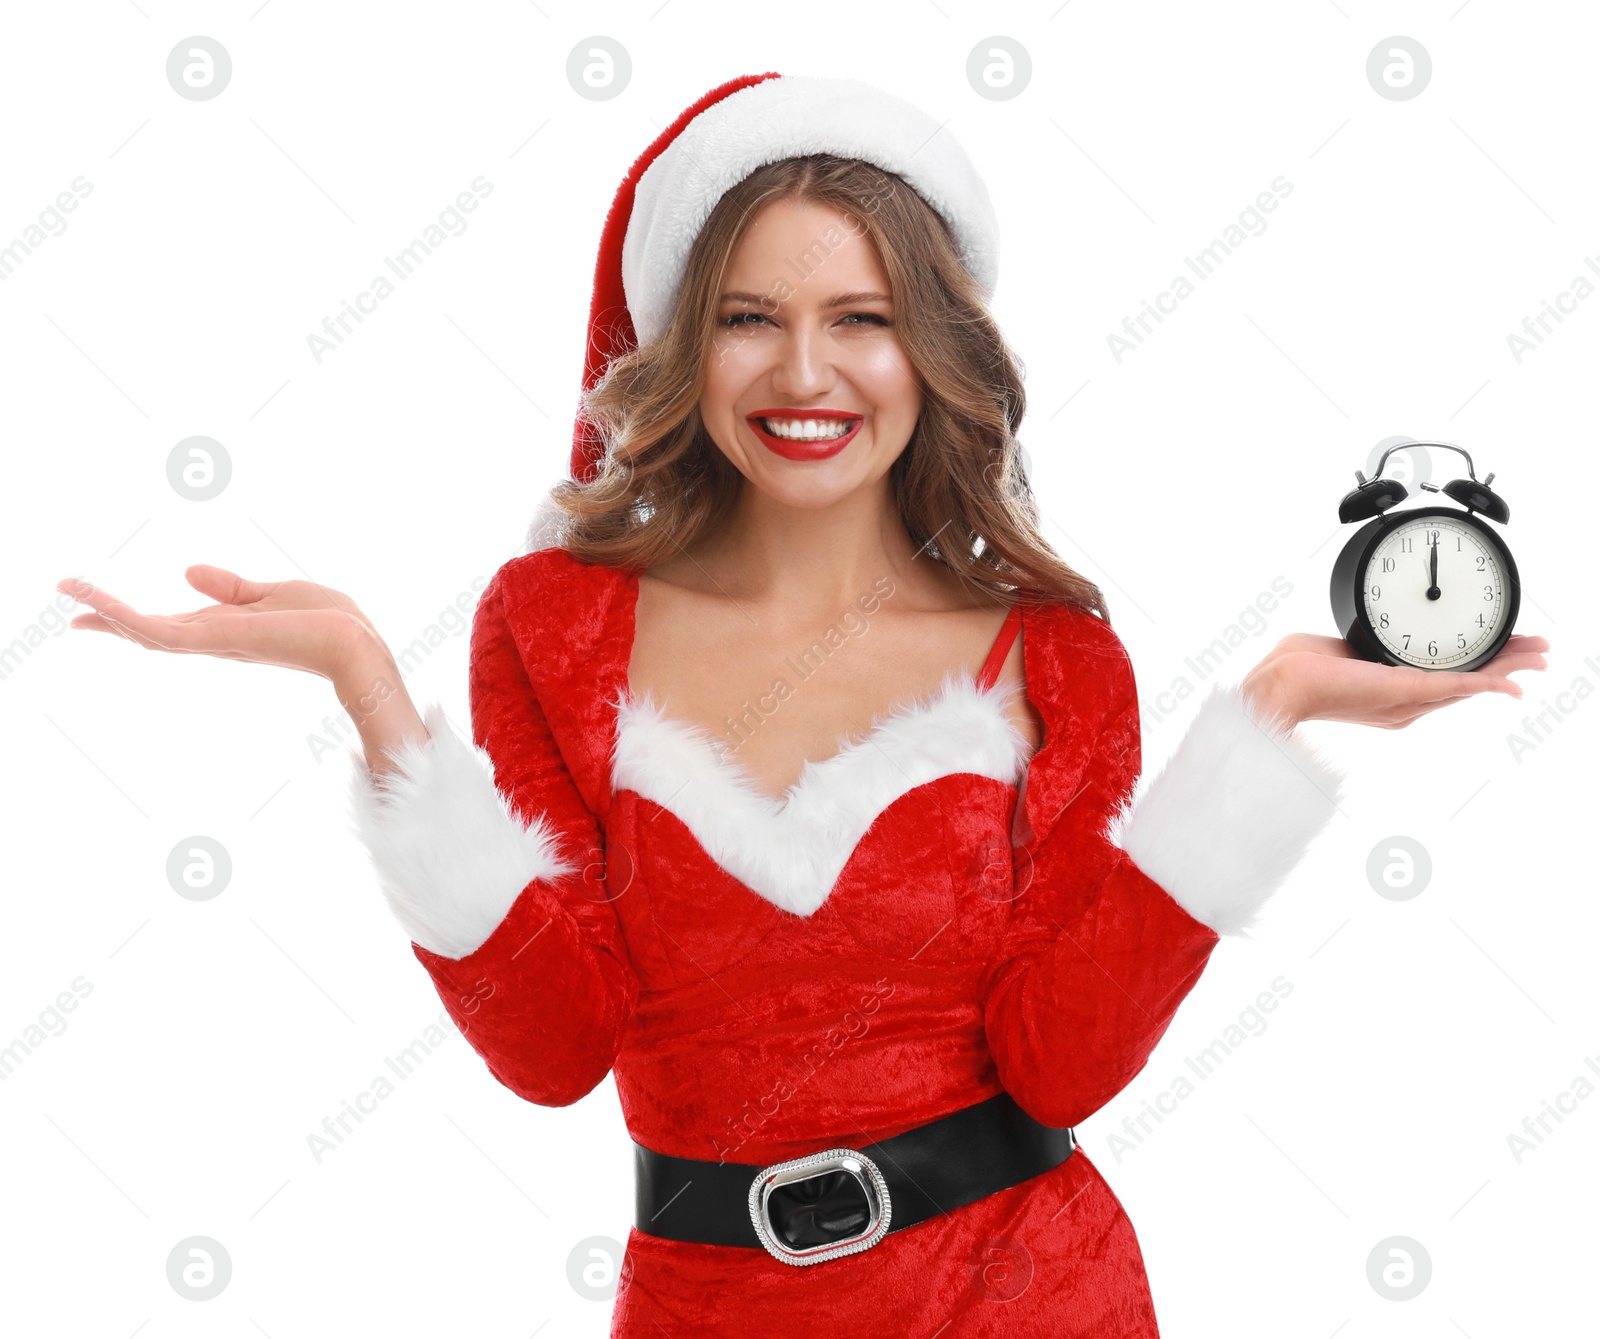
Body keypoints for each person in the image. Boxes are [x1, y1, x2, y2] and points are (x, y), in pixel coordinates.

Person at [57, 73, 1548, 1338]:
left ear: (935, 349)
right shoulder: (553, 628)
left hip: (1030, 1295)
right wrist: (373, 699)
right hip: (703, 1302)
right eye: (751, 317)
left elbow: (1062, 1063)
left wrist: (1273, 712)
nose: (807, 371)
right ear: (683, 344)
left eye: (865, 317)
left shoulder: (1054, 652)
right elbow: (556, 1050)